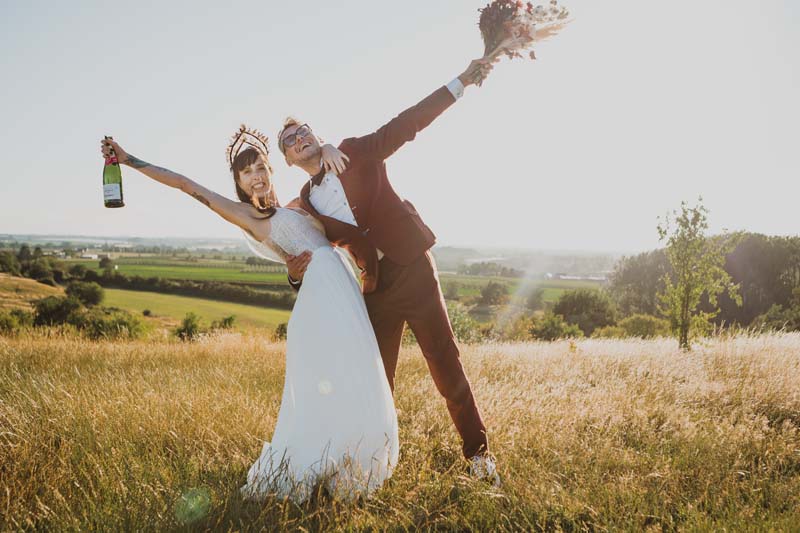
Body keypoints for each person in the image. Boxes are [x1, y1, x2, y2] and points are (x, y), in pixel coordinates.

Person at [99, 131, 399, 503]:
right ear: (238, 182)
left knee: (359, 377)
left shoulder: (294, 206)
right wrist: (129, 160)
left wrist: (330, 149)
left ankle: (351, 462)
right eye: (246, 173)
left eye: (260, 167)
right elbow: (184, 184)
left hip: (343, 291)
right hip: (322, 301)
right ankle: (320, 459)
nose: (256, 176)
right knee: (332, 384)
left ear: (271, 170)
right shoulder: (247, 216)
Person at [279, 56, 500, 484]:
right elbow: (307, 257)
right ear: (288, 159)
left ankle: (478, 456)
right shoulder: (305, 206)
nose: (300, 137)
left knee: (445, 362)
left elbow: (407, 124)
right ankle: (372, 466)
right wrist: (293, 273)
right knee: (376, 381)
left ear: (317, 136)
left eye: (304, 130)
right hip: (374, 289)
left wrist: (462, 82)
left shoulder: (355, 152)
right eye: (290, 139)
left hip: (413, 268)